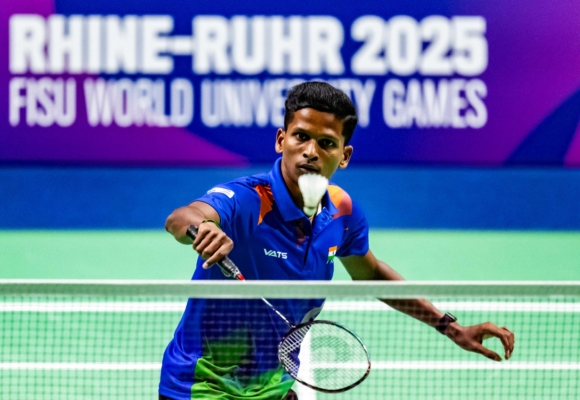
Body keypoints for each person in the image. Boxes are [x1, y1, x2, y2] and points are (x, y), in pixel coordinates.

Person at [159, 82, 515, 400]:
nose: (310, 151)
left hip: (271, 388)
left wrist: (449, 327)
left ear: (344, 156)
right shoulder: (249, 200)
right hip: (203, 388)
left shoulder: (342, 210)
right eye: (300, 137)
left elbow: (370, 273)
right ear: (281, 140)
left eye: (326, 143)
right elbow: (182, 217)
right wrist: (202, 228)